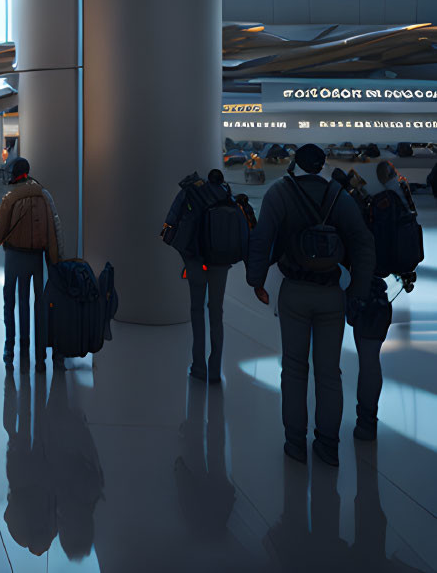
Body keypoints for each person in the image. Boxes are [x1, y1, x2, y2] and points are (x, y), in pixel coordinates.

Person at [246, 142, 375, 465]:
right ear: (321, 165)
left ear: (295, 164)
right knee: (330, 372)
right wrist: (357, 291)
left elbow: (262, 238)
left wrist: (256, 281)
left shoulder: (279, 193)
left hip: (294, 292)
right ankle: (328, 444)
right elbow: (362, 243)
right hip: (332, 293)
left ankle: (294, 443)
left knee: (293, 369)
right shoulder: (339, 196)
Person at [346, 159, 419, 442]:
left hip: (355, 284)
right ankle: (367, 422)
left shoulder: (358, 202)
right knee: (370, 360)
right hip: (381, 290)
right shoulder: (398, 199)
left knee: (331, 361)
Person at [0, 156, 63, 370]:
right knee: (39, 303)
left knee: (12, 302)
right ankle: (40, 356)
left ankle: (11, 348)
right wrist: (57, 258)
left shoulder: (11, 197)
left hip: (14, 257)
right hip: (36, 258)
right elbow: (55, 226)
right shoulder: (43, 194)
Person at [161, 167, 234, 383]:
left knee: (196, 310)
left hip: (195, 259)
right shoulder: (225, 192)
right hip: (220, 262)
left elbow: (171, 220)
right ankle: (215, 370)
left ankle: (198, 366)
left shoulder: (189, 191)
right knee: (216, 313)